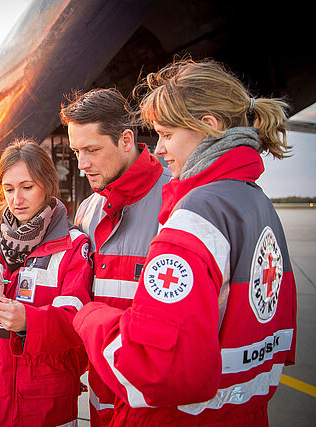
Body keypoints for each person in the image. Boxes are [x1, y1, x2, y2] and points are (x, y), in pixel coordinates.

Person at [73, 59, 297, 425]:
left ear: (208, 126)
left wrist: (90, 317)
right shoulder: (258, 204)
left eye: (166, 134)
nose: (160, 149)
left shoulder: (195, 215)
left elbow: (154, 372)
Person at [0, 139, 93, 426]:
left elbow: (78, 321)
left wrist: (27, 322)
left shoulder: (73, 245)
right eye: (9, 189)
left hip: (43, 400)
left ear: (47, 185)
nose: (16, 199)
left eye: (27, 187)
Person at [60, 88, 171, 426]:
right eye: (77, 151)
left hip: (155, 403)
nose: (82, 165)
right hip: (102, 395)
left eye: (92, 150)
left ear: (126, 140)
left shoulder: (178, 203)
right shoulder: (88, 211)